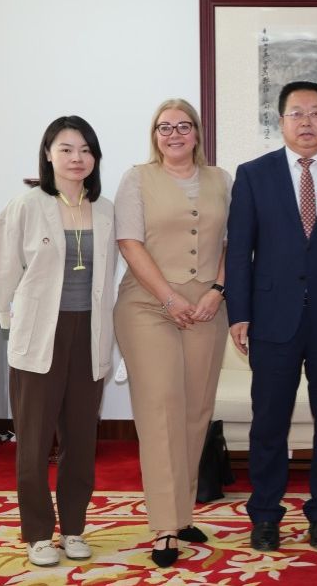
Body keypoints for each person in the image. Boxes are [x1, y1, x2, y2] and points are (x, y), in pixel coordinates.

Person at [226, 80, 317, 552]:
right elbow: (239, 252)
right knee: (269, 423)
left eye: (315, 113)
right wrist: (239, 313)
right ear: (281, 122)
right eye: (297, 113)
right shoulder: (254, 175)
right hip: (272, 319)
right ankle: (265, 514)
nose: (306, 122)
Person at [0, 115, 116, 566]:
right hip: (40, 332)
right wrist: (7, 317)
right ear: (48, 154)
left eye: (85, 149)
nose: (77, 158)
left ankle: (74, 528)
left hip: (89, 333)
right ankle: (38, 534)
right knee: (34, 440)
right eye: (66, 149)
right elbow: (1, 265)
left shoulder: (105, 209)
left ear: (95, 157)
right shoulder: (27, 205)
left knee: (80, 439)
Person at [114, 98, 231, 568]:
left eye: (184, 126)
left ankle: (182, 515)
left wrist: (217, 291)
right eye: (165, 127)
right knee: (161, 407)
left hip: (207, 308)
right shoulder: (137, 178)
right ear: (155, 135)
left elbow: (235, 242)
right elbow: (129, 243)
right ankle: (164, 525)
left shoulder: (221, 180)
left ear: (197, 133)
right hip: (148, 305)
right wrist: (168, 297)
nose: (175, 134)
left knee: (195, 410)